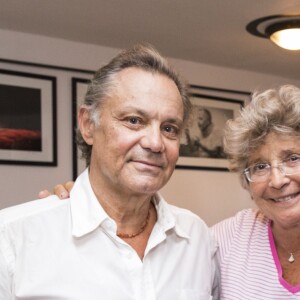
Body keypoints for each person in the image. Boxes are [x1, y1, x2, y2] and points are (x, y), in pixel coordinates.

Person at [0, 44, 220, 299]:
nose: (155, 143)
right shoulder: (13, 237)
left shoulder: (196, 238)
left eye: (169, 128)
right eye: (134, 120)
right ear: (88, 125)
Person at [46, 84, 300, 299]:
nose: (277, 180)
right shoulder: (227, 239)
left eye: (293, 158)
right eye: (260, 166)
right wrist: (80, 203)